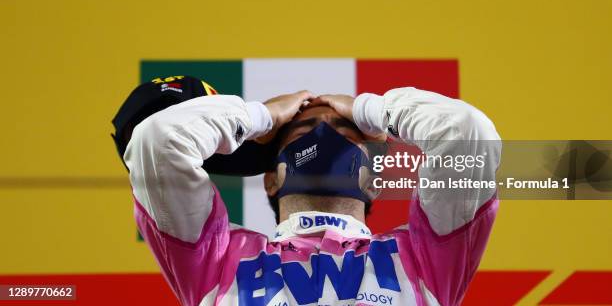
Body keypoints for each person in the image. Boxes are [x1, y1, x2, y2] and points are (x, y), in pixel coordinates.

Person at [118, 80, 501, 306]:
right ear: (270, 178)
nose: (324, 135)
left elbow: (468, 134)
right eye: (302, 131)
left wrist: (371, 109)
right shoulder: (215, 258)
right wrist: (261, 117)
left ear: (374, 182)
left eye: (345, 131)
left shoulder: (427, 256)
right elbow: (158, 141)